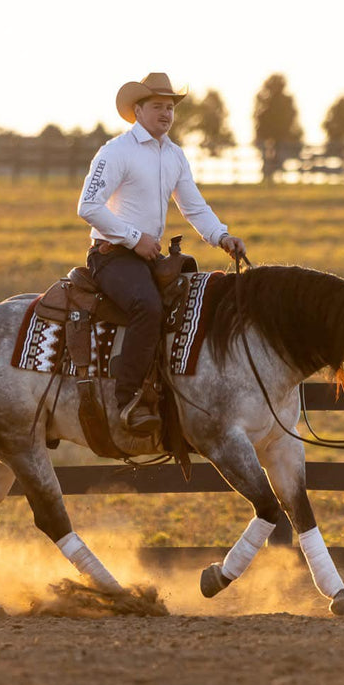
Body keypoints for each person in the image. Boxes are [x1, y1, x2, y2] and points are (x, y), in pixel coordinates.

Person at [78, 72, 248, 436]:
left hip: (148, 256)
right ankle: (127, 401)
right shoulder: (115, 152)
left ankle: (178, 395)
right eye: (157, 106)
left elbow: (194, 207)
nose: (166, 114)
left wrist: (222, 236)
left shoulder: (175, 155)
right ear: (137, 110)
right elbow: (88, 206)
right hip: (113, 255)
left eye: (170, 107)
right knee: (148, 307)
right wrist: (133, 237)